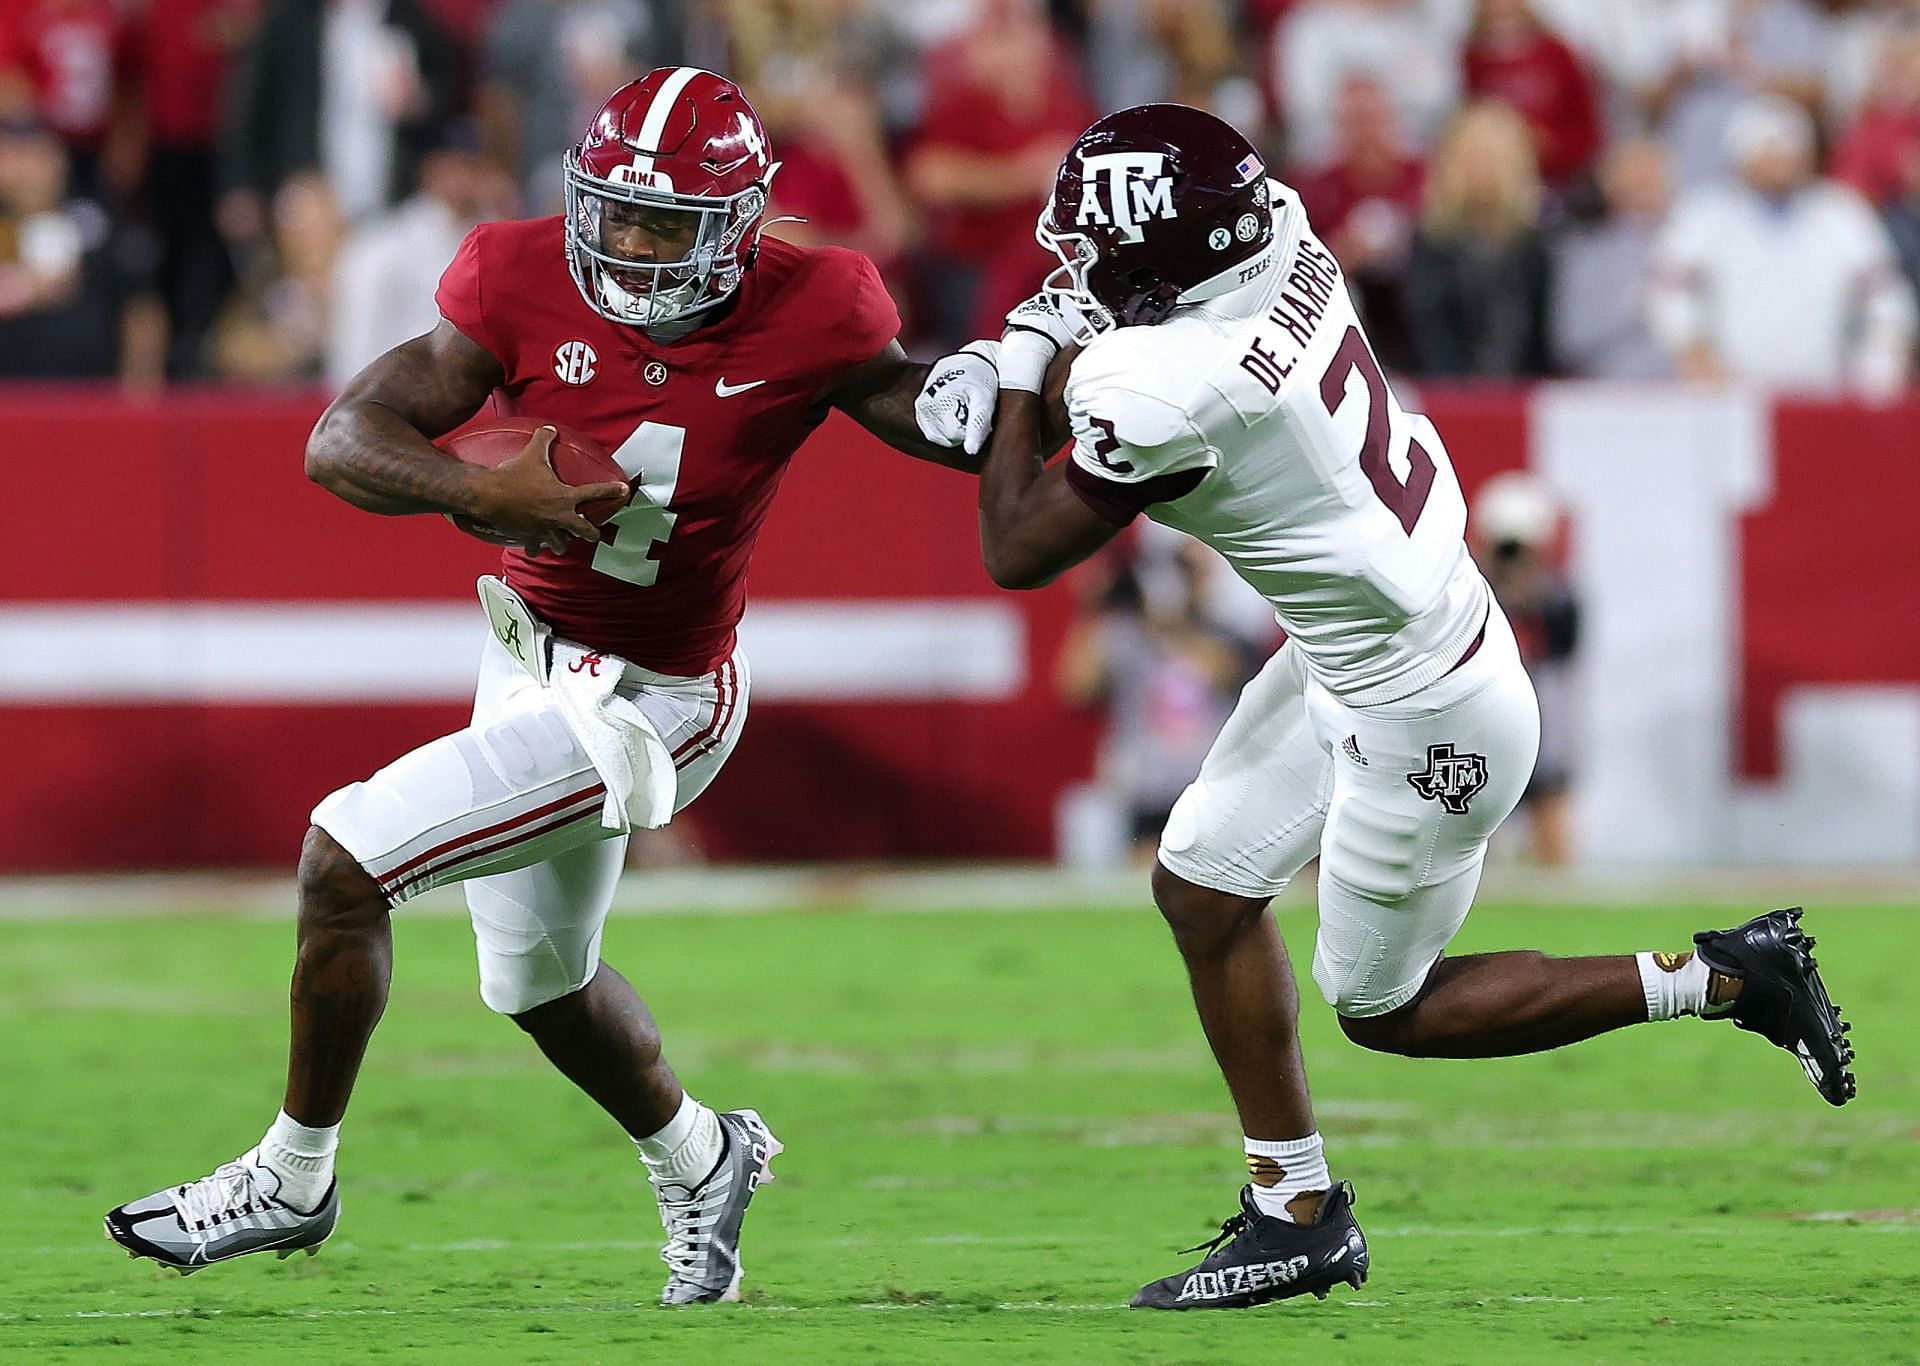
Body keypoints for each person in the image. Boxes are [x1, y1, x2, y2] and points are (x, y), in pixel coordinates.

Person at [922, 100, 1856, 1311]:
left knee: (1387, 1008)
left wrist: (1015, 367)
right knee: (1203, 887)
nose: (1076, 269)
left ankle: (1729, 978)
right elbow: (1126, 366)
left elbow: (1014, 544)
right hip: (1359, 645)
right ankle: (1294, 1209)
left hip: (1423, 709)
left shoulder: (1181, 379)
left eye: (1098, 250)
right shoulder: (1285, 238)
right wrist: (1035, 372)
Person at [106, 69, 990, 1306]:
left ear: (740, 223)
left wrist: (1019, 394)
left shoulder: (820, 304)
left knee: (344, 859)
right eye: (613, 213)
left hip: (654, 703)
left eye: (665, 223)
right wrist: (478, 491)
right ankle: (702, 1153)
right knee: (534, 980)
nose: (629, 246)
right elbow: (341, 440)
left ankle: (292, 1176)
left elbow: (919, 407)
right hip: (527, 650)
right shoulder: (516, 274)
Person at [1649, 94, 1917, 398]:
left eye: (1788, 148)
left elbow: (1887, 298)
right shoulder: (1705, 214)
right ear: (1741, 155)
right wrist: (1691, 348)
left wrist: (1877, 369)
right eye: (1767, 148)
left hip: (1822, 395)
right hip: (1728, 396)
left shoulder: (1841, 213)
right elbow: (1668, 293)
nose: (1779, 159)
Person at [1406, 100, 1553, 379]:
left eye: (1492, 157)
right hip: (1446, 394)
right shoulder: (1431, 241)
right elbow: (1429, 331)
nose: (1482, 168)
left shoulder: (1534, 244)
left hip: (1523, 391)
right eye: (1472, 156)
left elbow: (1542, 336)